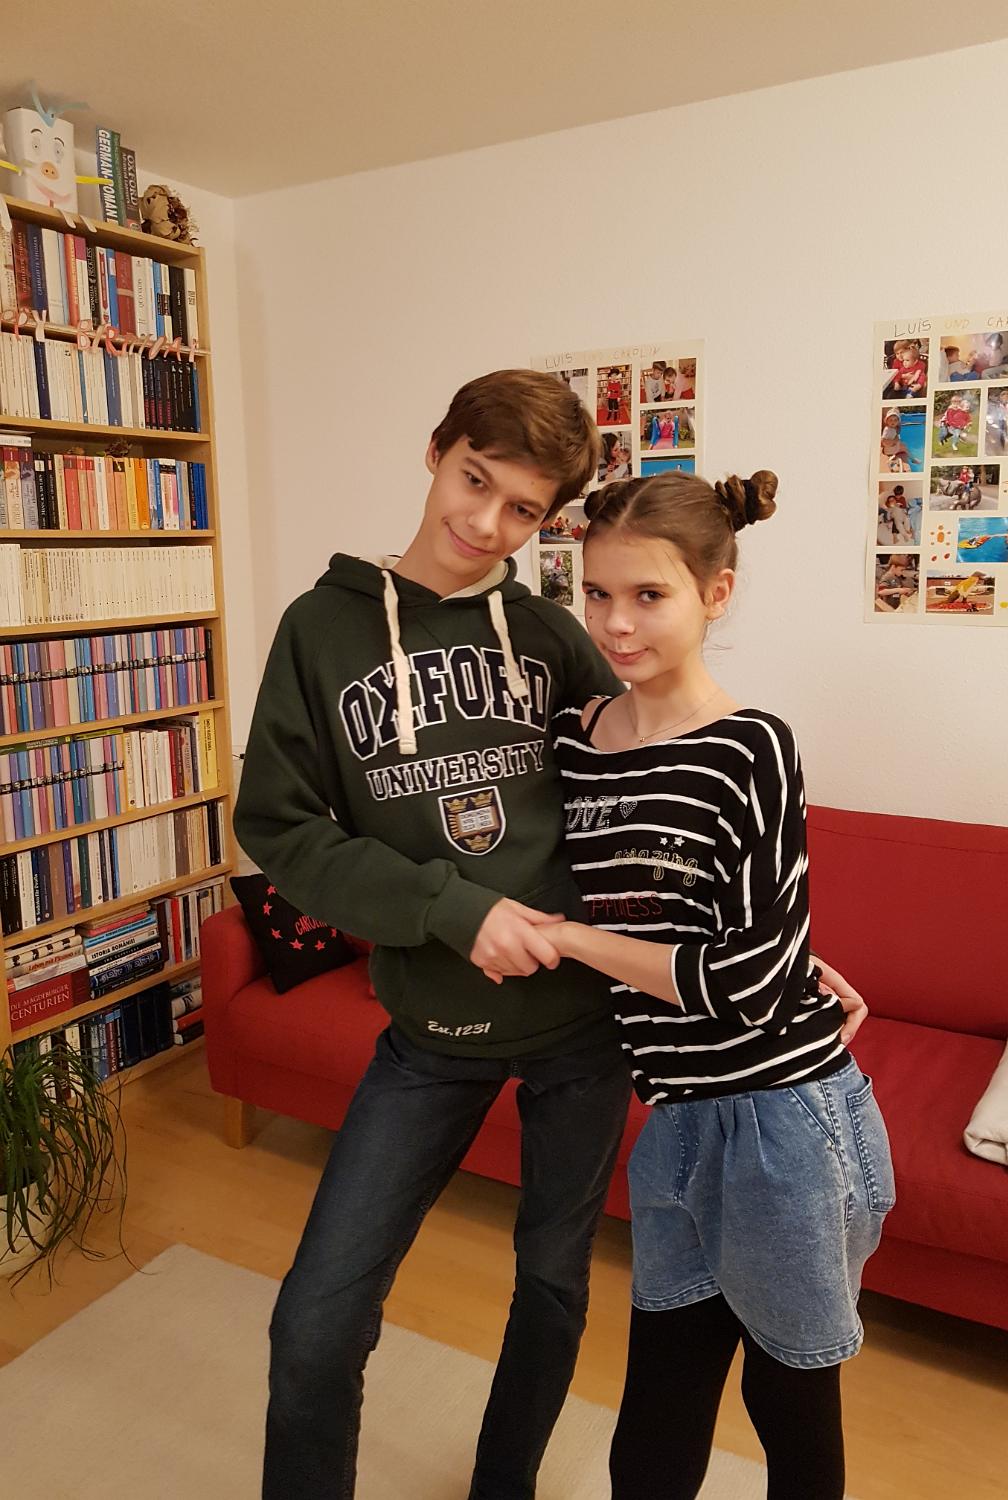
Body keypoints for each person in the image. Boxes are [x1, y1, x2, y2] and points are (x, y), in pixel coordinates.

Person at [235, 368, 637, 1500]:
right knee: (316, 1319)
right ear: (436, 450)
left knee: (552, 1287)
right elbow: (278, 826)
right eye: (475, 481)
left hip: (583, 1031)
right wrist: (453, 911)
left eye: (523, 509)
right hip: (431, 1034)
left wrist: (762, 927)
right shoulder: (321, 630)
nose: (487, 523)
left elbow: (646, 793)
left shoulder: (552, 635)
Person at [536, 469, 889, 1500]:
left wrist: (576, 940)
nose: (615, 622)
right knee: (660, 1400)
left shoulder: (751, 746)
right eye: (597, 593)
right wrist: (783, 952)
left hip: (784, 1117)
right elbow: (693, 923)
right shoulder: (575, 743)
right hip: (679, 1116)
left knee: (791, 1404)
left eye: (648, 595)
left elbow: (745, 981)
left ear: (715, 594)